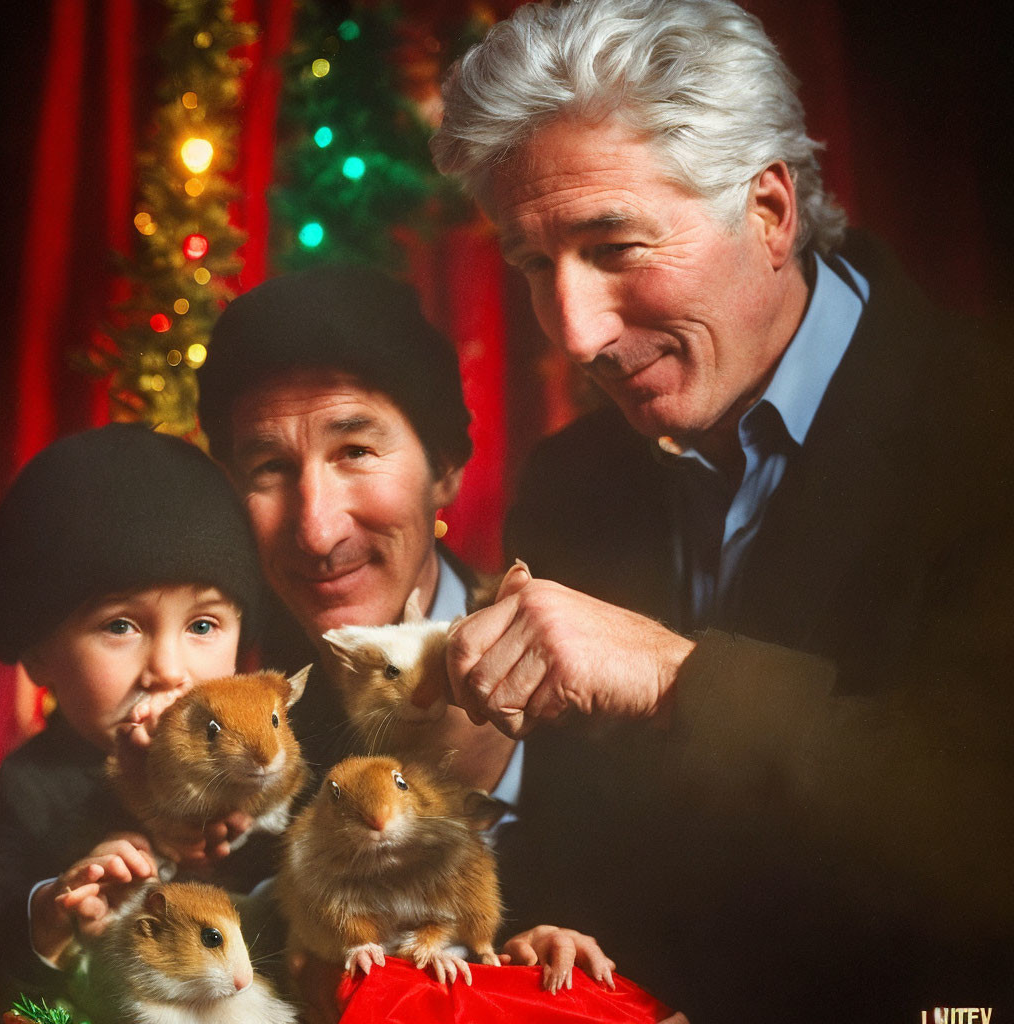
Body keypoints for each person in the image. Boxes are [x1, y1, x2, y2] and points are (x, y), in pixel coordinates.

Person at [430, 0, 1014, 1019]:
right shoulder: (568, 481)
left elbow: (981, 836)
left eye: (613, 245)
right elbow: (581, 862)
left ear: (771, 210)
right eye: (533, 265)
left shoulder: (988, 431)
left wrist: (673, 675)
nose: (573, 331)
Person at [196, 266, 624, 1012]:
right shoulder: (239, 713)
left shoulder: (597, 660)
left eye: (356, 451)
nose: (316, 529)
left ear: (447, 470)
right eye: (269, 468)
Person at [0, 423, 264, 1006]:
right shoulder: (32, 790)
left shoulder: (261, 759)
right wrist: (54, 911)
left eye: (203, 625)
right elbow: (4, 933)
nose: (168, 669)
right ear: (39, 656)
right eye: (121, 626)